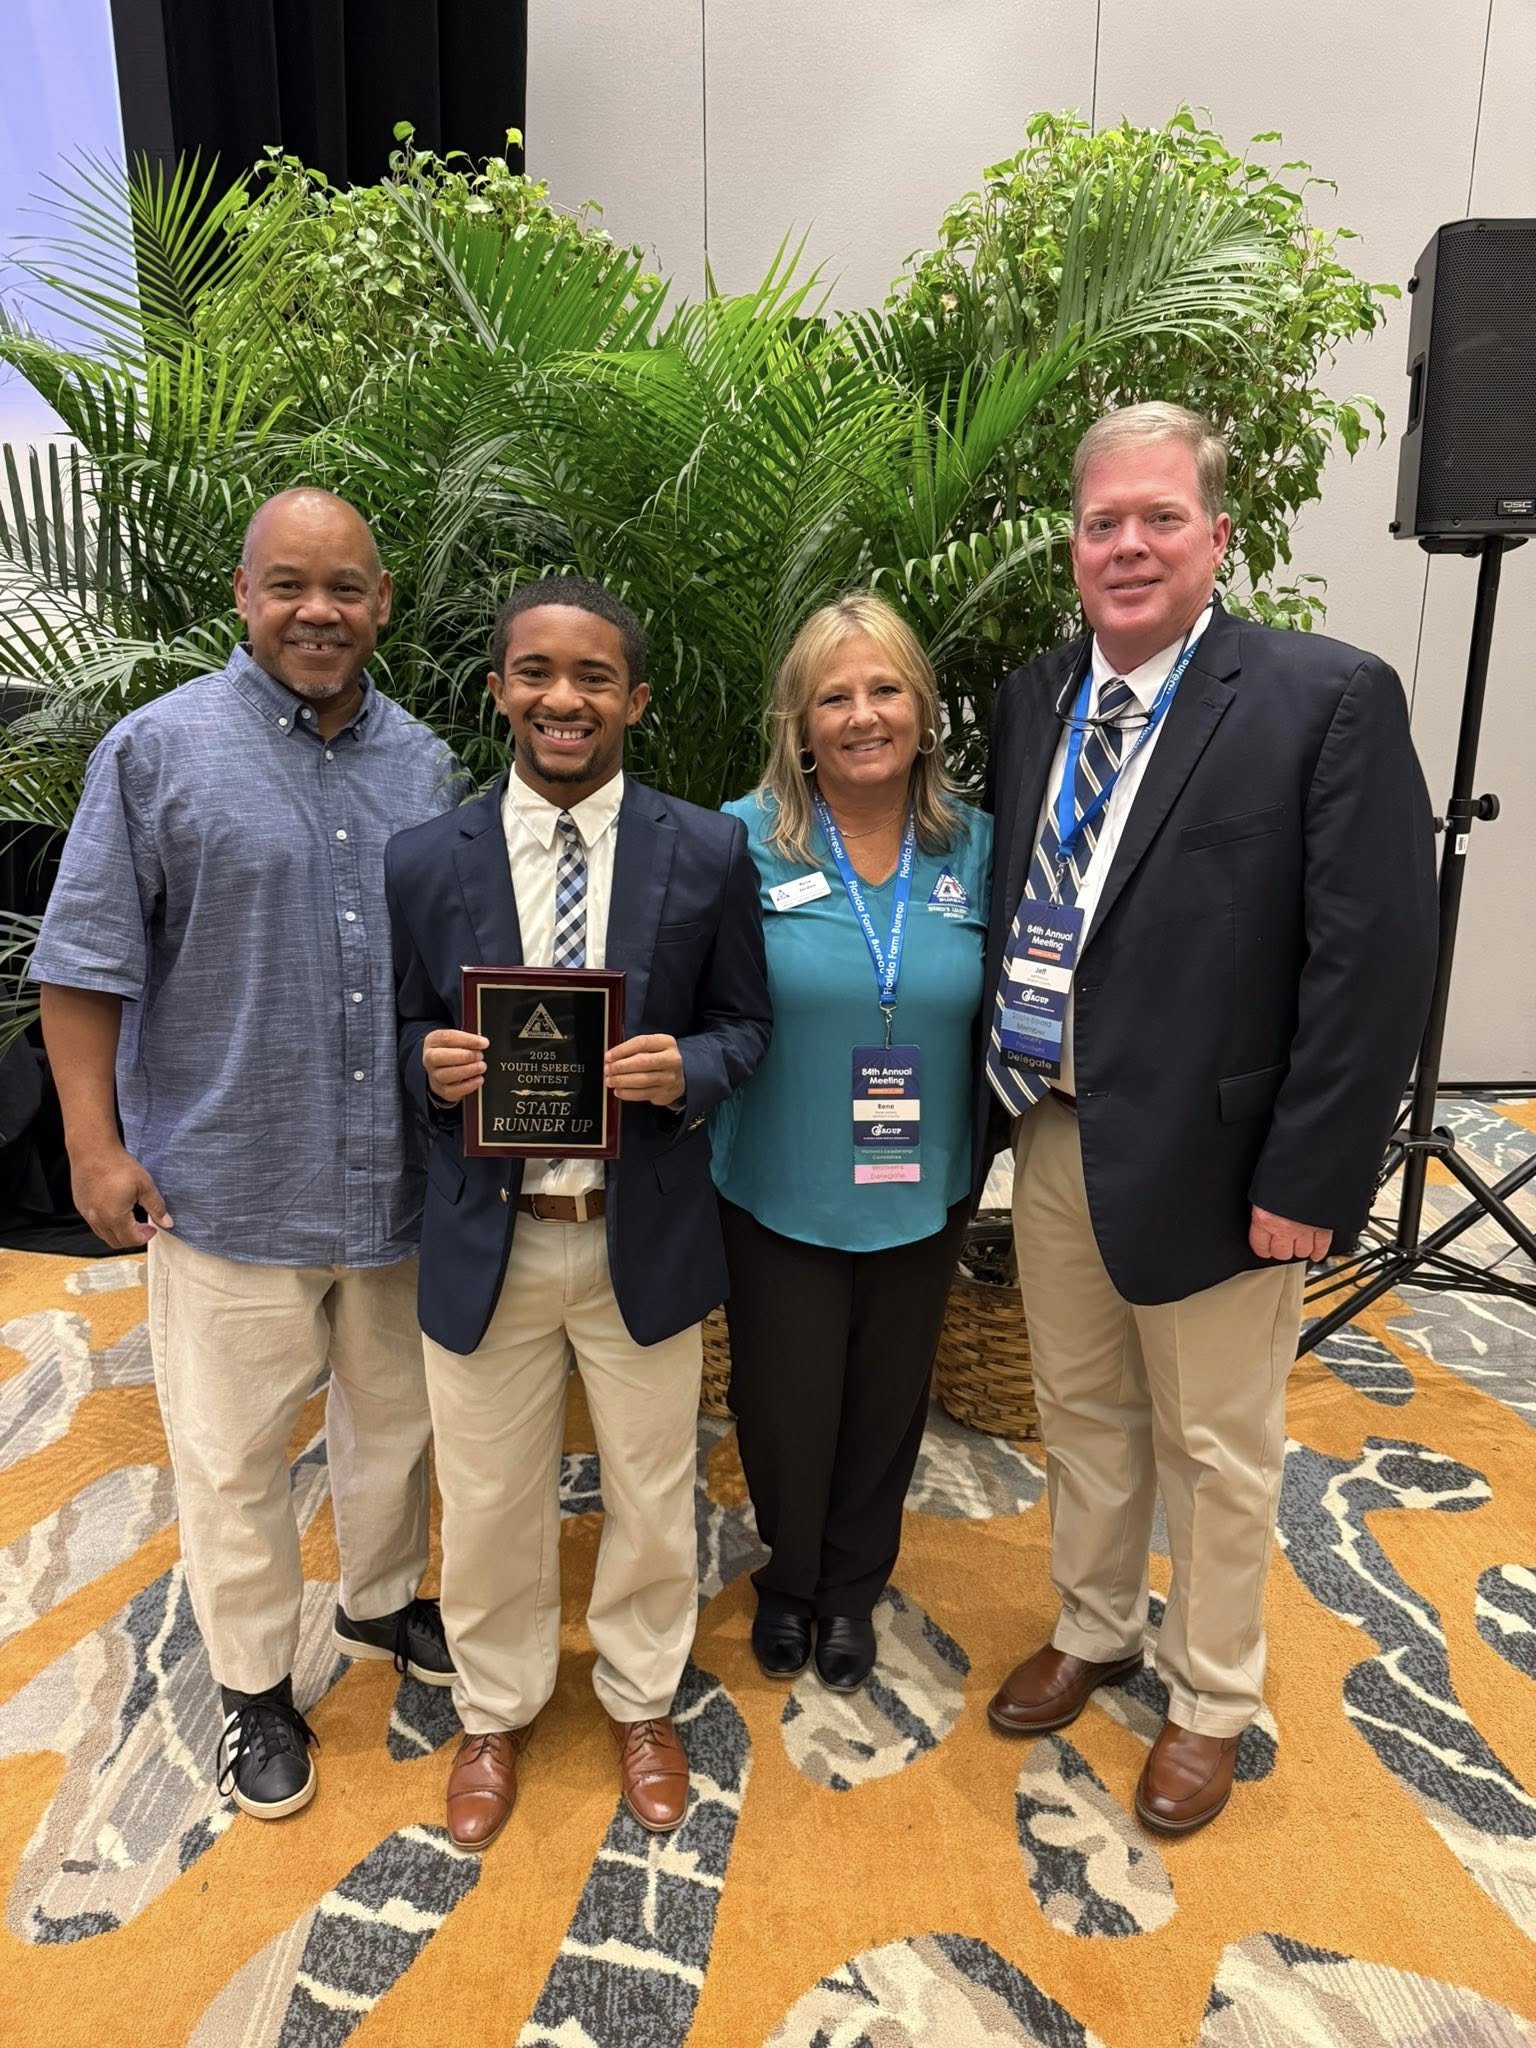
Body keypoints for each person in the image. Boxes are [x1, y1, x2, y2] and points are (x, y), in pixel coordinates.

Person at [975, 403, 1438, 1834]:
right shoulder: (1033, 697)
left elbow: (1372, 964)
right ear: (1073, 543)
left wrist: (1313, 1173)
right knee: (1083, 1409)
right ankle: (1096, 1622)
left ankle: (1213, 1696)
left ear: (1217, 536)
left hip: (1227, 1161)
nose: (1128, 545)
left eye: (1160, 517)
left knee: (1221, 1446)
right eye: (1102, 521)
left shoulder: (1325, 697)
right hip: (1053, 1128)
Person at [31, 488, 462, 1822]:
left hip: (396, 1187)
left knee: (397, 1428)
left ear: (382, 602)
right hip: (225, 1183)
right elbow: (82, 964)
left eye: (344, 587)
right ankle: (257, 1687)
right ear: (243, 594)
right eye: (289, 585)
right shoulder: (156, 752)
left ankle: (381, 1603)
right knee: (231, 1458)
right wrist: (93, 1148)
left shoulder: (426, 767)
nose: (317, 612)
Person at [386, 576, 770, 1852]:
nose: (565, 697)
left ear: (635, 699)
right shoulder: (422, 858)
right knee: (489, 1494)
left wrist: (690, 1068)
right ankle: (494, 1709)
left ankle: (641, 1698)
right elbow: (396, 1024)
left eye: (594, 675)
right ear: (499, 689)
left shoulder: (706, 850)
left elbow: (746, 1024)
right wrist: (424, 1063)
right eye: (538, 672)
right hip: (486, 1233)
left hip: (636, 1228)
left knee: (653, 1489)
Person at [711, 594, 992, 1693]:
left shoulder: (980, 843)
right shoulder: (736, 843)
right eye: (835, 696)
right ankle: (790, 1578)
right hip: (779, 1179)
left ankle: (852, 1590)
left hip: (924, 1179)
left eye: (885, 690)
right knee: (784, 1401)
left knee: (887, 1398)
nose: (863, 715)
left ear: (922, 709)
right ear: (801, 721)